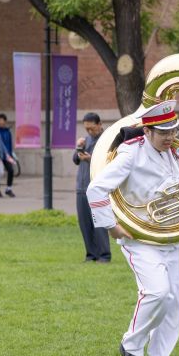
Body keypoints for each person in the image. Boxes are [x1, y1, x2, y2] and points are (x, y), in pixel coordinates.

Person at [87, 101, 179, 356]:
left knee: (172, 305)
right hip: (140, 238)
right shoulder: (131, 154)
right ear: (147, 130)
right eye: (163, 132)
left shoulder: (175, 153)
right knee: (156, 292)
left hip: (171, 235)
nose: (170, 137)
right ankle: (131, 345)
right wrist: (110, 225)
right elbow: (95, 188)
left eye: (173, 130)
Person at [73, 112, 111, 263]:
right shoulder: (86, 140)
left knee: (99, 222)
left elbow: (107, 163)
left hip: (97, 188)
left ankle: (104, 255)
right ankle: (91, 254)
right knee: (85, 223)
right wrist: (78, 148)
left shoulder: (106, 141)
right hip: (81, 187)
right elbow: (75, 160)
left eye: (92, 128)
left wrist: (90, 159)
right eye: (86, 129)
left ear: (99, 124)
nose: (89, 132)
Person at [0, 114, 16, 197]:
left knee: (11, 170)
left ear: (5, 121)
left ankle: (9, 189)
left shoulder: (8, 131)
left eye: (1, 120)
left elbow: (10, 144)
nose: (0, 122)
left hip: (7, 156)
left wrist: (10, 155)